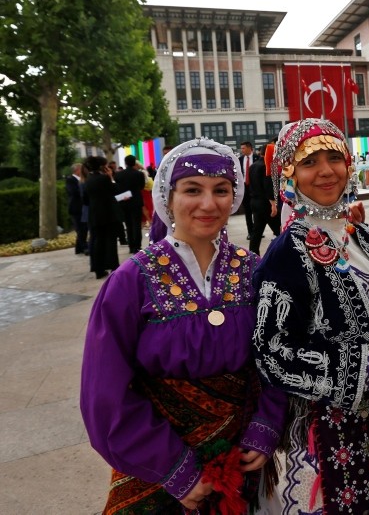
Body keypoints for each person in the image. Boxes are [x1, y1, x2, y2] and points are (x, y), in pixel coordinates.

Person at [80, 138, 288, 513]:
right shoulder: (131, 280)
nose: (209, 204)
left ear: (235, 195)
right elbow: (104, 392)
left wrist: (265, 427)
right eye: (193, 190)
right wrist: (171, 467)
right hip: (159, 473)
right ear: (168, 197)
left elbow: (277, 358)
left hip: (243, 465)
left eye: (221, 190)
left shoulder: (255, 270)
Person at [251, 118, 369, 513]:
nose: (326, 171)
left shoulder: (361, 236)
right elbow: (272, 356)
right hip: (327, 436)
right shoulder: (286, 254)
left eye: (334, 158)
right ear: (288, 174)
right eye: (309, 163)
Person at [82, 156, 121, 279]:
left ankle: (98, 269)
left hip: (94, 214)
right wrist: (111, 178)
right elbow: (116, 190)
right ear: (102, 166)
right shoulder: (104, 179)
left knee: (97, 241)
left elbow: (85, 200)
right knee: (110, 240)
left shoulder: (87, 180)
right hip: (108, 213)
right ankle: (113, 265)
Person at [247, 148, 277, 255]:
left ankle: (253, 255)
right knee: (279, 230)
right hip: (265, 203)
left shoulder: (252, 166)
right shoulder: (265, 166)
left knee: (257, 232)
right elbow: (268, 186)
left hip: (254, 201)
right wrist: (273, 203)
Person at [114, 154, 145, 253]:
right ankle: (137, 245)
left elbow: (117, 188)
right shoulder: (139, 174)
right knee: (136, 224)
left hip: (124, 201)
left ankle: (131, 246)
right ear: (134, 162)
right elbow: (141, 187)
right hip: (136, 201)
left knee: (128, 225)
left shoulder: (118, 175)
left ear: (126, 163)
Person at [66, 163, 88, 255]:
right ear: (77, 170)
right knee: (80, 229)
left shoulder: (83, 179)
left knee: (84, 228)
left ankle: (78, 248)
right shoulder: (70, 180)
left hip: (83, 207)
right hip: (76, 208)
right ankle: (84, 247)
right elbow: (73, 192)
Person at [240, 141, 255, 239]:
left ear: (249, 148)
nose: (242, 150)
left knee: (257, 212)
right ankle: (250, 232)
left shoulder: (257, 158)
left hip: (256, 188)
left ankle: (258, 230)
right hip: (245, 188)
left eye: (243, 148)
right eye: (241, 148)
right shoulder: (240, 160)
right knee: (248, 212)